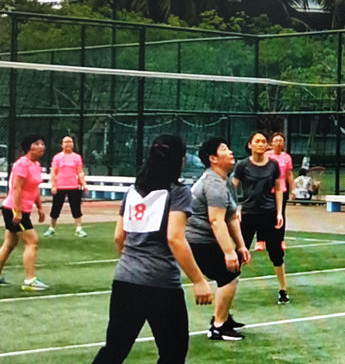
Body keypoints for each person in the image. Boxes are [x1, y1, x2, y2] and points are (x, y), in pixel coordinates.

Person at [92, 135, 212, 363]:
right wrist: (198, 280)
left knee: (115, 349)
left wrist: (132, 263)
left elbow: (119, 236)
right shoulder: (177, 192)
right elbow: (175, 238)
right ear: (180, 160)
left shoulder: (133, 191)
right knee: (173, 352)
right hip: (161, 283)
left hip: (125, 279)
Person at [188, 138, 251, 341]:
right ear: (213, 159)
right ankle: (218, 327)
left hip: (209, 238)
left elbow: (231, 216)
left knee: (230, 273)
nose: (231, 152)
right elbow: (216, 220)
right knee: (228, 275)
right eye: (224, 149)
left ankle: (222, 317)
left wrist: (241, 246)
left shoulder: (225, 180)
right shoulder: (213, 184)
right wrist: (228, 252)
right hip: (197, 240)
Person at [0, 133, 50, 291]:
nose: (41, 147)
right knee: (32, 241)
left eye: (42, 144)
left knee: (9, 244)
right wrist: (18, 212)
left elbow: (34, 189)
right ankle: (30, 281)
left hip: (23, 210)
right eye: (37, 144)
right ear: (29, 147)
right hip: (13, 210)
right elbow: (16, 188)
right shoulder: (22, 164)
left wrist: (40, 208)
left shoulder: (36, 165)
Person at [233, 131, 289, 304]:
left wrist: (279, 213)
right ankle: (229, 289)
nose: (261, 144)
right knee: (240, 252)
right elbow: (231, 188)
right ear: (250, 145)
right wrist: (235, 209)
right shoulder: (242, 165)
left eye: (263, 141)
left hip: (269, 213)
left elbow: (278, 189)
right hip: (248, 214)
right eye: (257, 141)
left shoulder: (273, 165)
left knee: (276, 253)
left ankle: (283, 290)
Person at [44, 135, 87, 238]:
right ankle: (51, 228)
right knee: (56, 208)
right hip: (60, 186)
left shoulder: (77, 157)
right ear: (62, 145)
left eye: (70, 142)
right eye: (66, 142)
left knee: (76, 208)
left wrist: (84, 184)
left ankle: (79, 229)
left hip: (74, 186)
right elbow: (53, 172)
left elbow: (80, 172)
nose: (68, 144)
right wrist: (54, 186)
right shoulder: (57, 157)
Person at [262, 132, 294, 251]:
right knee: (266, 214)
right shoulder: (266, 155)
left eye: (281, 141)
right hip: (267, 189)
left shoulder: (286, 157)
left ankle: (280, 239)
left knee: (280, 214)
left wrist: (293, 189)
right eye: (276, 140)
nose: (278, 143)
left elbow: (289, 174)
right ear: (271, 143)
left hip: (281, 189)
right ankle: (262, 239)